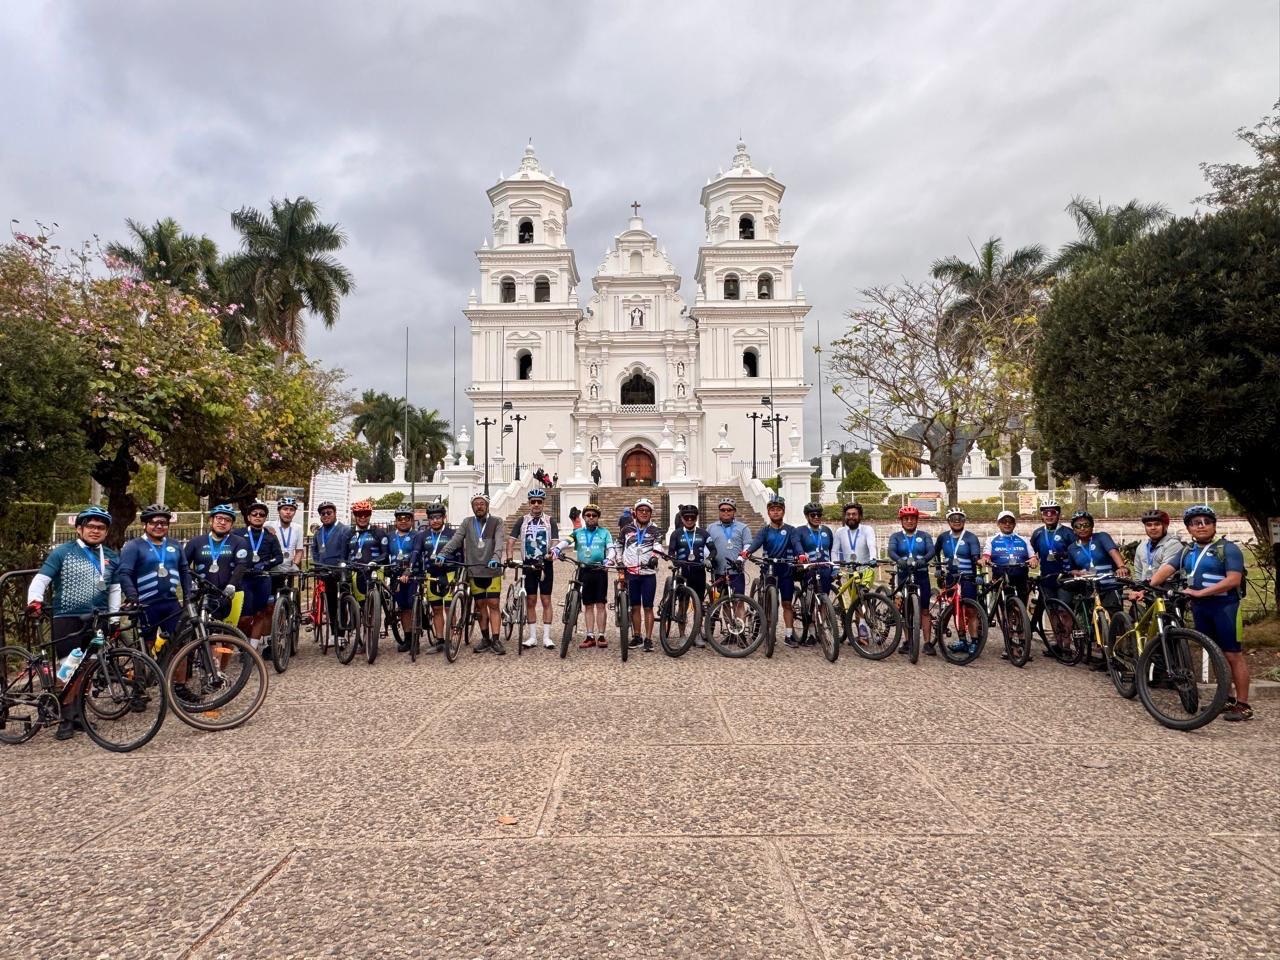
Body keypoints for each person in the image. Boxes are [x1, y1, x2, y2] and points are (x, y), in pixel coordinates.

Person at [26, 506, 121, 740]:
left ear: (106, 532)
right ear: (79, 529)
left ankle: (77, 714)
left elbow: (115, 589)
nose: (95, 531)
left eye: (101, 527)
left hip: (96, 618)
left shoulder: (110, 556)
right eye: (90, 526)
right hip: (67, 617)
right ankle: (64, 718)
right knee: (68, 668)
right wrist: (35, 601)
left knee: (87, 668)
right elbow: (42, 579)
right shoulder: (62, 552)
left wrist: (115, 618)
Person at [1151, 505, 1252, 721]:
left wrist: (1201, 592)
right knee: (1214, 652)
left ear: (1214, 525)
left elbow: (1233, 580)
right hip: (1200, 608)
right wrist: (1148, 585)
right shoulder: (1187, 551)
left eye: (1207, 522)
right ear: (1189, 528)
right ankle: (1226, 698)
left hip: (1225, 608)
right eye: (1196, 523)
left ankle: (1243, 704)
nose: (1202, 526)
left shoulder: (1228, 548)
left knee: (1233, 654)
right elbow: (1166, 570)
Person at [118, 503, 192, 658]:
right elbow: (124, 573)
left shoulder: (175, 545)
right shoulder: (134, 546)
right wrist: (132, 595)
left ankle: (177, 682)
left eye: (164, 523)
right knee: (147, 644)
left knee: (179, 643)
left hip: (171, 603)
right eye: (154, 522)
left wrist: (188, 596)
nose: (159, 526)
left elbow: (185, 572)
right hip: (146, 603)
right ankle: (147, 678)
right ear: (145, 525)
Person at [441, 492, 506, 654]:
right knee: (480, 605)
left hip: (492, 570)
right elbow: (456, 540)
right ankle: (485, 638)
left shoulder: (496, 522)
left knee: (494, 604)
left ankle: (496, 640)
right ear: (472, 507)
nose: (479, 506)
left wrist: (496, 557)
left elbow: (499, 542)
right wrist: (443, 553)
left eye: (482, 503)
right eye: (476, 504)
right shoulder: (467, 522)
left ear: (487, 505)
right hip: (474, 570)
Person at [1065, 510, 1128, 669]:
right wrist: (1075, 572)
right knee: (1096, 622)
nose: (1082, 528)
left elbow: (1113, 552)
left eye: (1086, 525)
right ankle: (1102, 655)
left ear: (1092, 526)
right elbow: (1072, 568)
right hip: (1090, 586)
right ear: (1074, 529)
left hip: (1109, 583)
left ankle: (1119, 655)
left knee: (1114, 617)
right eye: (1078, 526)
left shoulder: (1101, 537)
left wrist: (1121, 567)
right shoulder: (1073, 548)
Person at [552, 502, 615, 648]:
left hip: (599, 570)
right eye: (588, 515)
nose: (591, 517)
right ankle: (589, 636)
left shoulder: (605, 532)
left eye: (594, 515)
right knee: (587, 605)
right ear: (584, 517)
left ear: (598, 517)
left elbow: (611, 549)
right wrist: (556, 549)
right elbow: (566, 541)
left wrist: (609, 559)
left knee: (600, 604)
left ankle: (601, 635)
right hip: (583, 570)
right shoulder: (578, 532)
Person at [740, 496, 800, 645]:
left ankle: (788, 635)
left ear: (783, 512)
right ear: (768, 513)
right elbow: (755, 544)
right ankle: (767, 630)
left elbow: (797, 544)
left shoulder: (791, 530)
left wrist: (801, 554)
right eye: (772, 510)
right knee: (769, 604)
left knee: (787, 604)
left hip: (786, 569)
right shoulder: (764, 531)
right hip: (769, 569)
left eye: (778, 510)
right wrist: (746, 553)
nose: (775, 512)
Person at [507, 488, 559, 649]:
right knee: (530, 600)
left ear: (543, 504)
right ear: (529, 503)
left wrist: (552, 554)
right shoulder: (522, 520)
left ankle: (546, 637)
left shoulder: (550, 521)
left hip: (545, 564)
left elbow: (556, 541)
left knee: (546, 600)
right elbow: (511, 540)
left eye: (539, 502)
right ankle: (532, 637)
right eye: (533, 502)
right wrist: (509, 557)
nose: (536, 504)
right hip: (528, 565)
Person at [982, 510, 1037, 659]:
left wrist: (1033, 561)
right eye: (1004, 522)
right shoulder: (992, 540)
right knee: (1007, 613)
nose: (1007, 524)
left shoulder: (1023, 539)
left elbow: (1032, 556)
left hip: (1020, 577)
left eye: (1010, 522)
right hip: (1001, 578)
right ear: (998, 524)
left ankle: (1023, 643)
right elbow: (986, 554)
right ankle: (1009, 644)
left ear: (1014, 524)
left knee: (1020, 612)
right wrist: (985, 559)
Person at [184, 504, 251, 623]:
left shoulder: (239, 542)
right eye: (219, 518)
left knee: (227, 635)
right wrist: (191, 583)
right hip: (202, 593)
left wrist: (232, 585)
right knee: (198, 632)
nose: (223, 522)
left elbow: (241, 565)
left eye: (227, 520)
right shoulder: (196, 542)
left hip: (230, 593)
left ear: (232, 524)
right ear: (211, 520)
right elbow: (183, 566)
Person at [234, 500, 284, 650]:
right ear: (249, 517)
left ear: (265, 518)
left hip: (262, 578)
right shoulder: (238, 534)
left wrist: (265, 564)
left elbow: (279, 557)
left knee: (260, 613)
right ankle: (243, 642)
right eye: (254, 514)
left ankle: (252, 649)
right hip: (244, 579)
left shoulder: (270, 536)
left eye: (261, 515)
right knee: (244, 617)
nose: (258, 516)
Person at [932, 507, 983, 656]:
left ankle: (974, 641)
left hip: (967, 578)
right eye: (953, 519)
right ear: (948, 521)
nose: (957, 521)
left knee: (971, 610)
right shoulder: (943, 537)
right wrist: (938, 568)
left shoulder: (970, 537)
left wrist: (978, 571)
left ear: (964, 521)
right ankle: (962, 640)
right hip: (950, 578)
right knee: (956, 610)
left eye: (960, 519)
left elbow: (975, 557)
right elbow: (935, 552)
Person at [886, 505, 935, 654]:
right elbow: (891, 551)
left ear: (917, 520)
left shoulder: (924, 535)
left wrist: (925, 559)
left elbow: (931, 550)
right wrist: (898, 559)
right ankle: (907, 641)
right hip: (903, 575)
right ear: (901, 520)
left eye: (912, 518)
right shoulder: (896, 536)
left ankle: (927, 643)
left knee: (925, 610)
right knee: (906, 610)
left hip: (921, 574)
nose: (909, 521)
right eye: (906, 518)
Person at [1029, 497, 1076, 653]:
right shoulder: (1037, 533)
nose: (1049, 516)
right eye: (1045, 513)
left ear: (1058, 514)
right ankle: (1057, 642)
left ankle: (1067, 644)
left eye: (1052, 513)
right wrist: (1034, 558)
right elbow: (1033, 552)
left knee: (1065, 611)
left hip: (1065, 577)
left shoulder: (1068, 533)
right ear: (1042, 515)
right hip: (1047, 577)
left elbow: (1076, 553)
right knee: (1052, 610)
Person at [667, 504, 718, 646]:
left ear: (696, 518)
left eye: (692, 518)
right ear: (682, 519)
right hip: (683, 573)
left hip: (698, 572)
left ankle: (696, 634)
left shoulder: (703, 533)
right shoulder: (676, 534)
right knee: (682, 604)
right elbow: (671, 551)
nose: (689, 520)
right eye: (686, 518)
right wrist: (673, 559)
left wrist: (709, 559)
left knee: (698, 605)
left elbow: (713, 550)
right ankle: (682, 635)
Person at [619, 497, 664, 651]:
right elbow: (618, 545)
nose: (644, 513)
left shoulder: (655, 530)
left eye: (647, 511)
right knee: (635, 606)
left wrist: (654, 557)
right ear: (635, 512)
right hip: (631, 572)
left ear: (651, 513)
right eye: (641, 510)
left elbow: (658, 546)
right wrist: (619, 561)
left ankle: (649, 639)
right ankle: (637, 636)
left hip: (648, 573)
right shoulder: (626, 529)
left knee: (648, 607)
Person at [789, 502, 835, 647]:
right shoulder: (800, 531)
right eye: (813, 515)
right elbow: (796, 544)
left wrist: (835, 567)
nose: (816, 517)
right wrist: (801, 555)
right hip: (809, 569)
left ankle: (821, 628)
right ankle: (811, 633)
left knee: (823, 601)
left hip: (825, 569)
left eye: (819, 515)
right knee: (810, 603)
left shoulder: (827, 531)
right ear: (807, 516)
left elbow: (831, 550)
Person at [310, 500, 350, 643]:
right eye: (323, 513)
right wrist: (317, 566)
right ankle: (334, 633)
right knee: (332, 605)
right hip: (326, 572)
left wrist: (343, 564)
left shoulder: (344, 530)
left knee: (343, 603)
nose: (326, 515)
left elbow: (348, 550)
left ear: (334, 513)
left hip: (341, 571)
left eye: (329, 512)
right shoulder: (318, 533)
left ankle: (343, 633)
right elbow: (314, 550)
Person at [418, 501, 455, 654]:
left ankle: (451, 640)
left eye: (438, 517)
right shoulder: (423, 536)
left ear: (444, 517)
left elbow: (461, 554)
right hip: (431, 574)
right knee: (436, 608)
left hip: (449, 573)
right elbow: (417, 554)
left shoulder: (452, 534)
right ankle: (440, 640)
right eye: (432, 518)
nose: (435, 520)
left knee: (449, 608)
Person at [387, 505, 424, 651]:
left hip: (413, 574)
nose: (403, 521)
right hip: (396, 575)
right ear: (395, 521)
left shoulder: (417, 536)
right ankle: (408, 639)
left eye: (407, 518)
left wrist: (409, 571)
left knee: (411, 605)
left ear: (412, 521)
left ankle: (416, 639)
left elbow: (416, 553)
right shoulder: (390, 536)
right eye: (399, 518)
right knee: (403, 608)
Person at [1128, 509, 1182, 603]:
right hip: (1147, 593)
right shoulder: (1142, 546)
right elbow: (1138, 571)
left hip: (1168, 594)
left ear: (1165, 526)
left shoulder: (1173, 545)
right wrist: (1137, 590)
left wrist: (1143, 589)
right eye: (1149, 525)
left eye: (1157, 524)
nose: (1153, 528)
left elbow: (1165, 574)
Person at [706, 497, 751, 595]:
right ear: (719, 511)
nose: (726, 512)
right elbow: (706, 546)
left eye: (729, 510)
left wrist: (740, 559)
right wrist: (708, 558)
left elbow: (748, 546)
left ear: (734, 511)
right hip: (718, 571)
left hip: (736, 570)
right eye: (722, 510)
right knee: (724, 603)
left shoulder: (743, 527)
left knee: (739, 602)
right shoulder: (711, 527)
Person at [268, 496, 306, 569]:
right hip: (272, 569)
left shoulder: (298, 528)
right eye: (285, 509)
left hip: (289, 569)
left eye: (292, 510)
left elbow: (299, 550)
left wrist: (295, 564)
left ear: (295, 512)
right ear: (279, 511)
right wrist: (266, 528)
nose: (288, 512)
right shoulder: (269, 525)